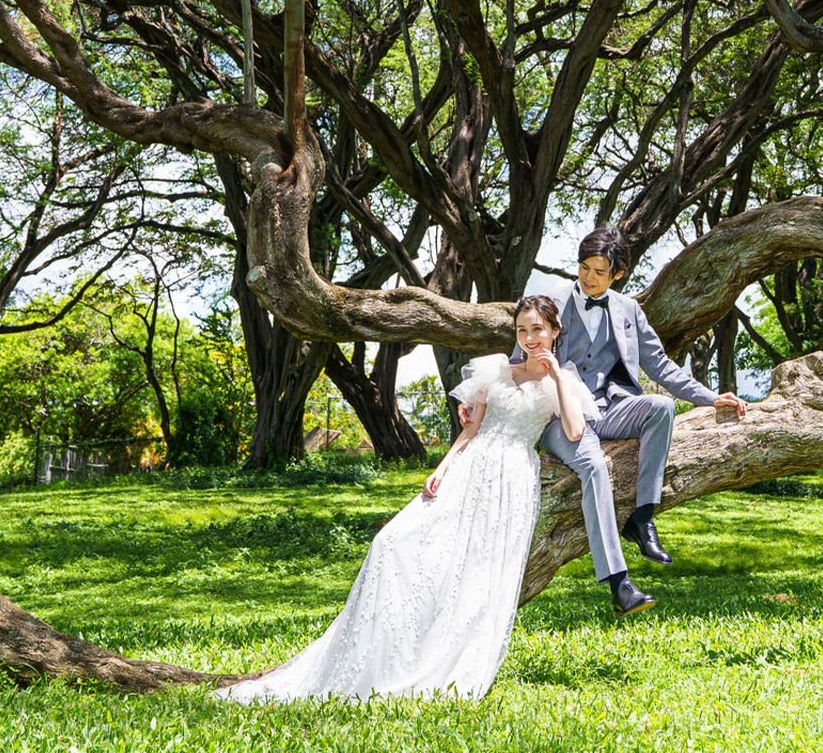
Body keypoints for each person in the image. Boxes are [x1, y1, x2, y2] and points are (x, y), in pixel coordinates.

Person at [216, 296, 594, 703]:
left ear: (554, 331)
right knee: (392, 541)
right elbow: (470, 431)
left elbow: (575, 431)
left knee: (479, 571)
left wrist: (556, 377)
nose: (529, 338)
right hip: (470, 468)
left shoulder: (563, 384)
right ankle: (383, 654)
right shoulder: (497, 370)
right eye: (522, 330)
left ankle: (449, 656)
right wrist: (442, 468)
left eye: (537, 329)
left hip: (512, 480)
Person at [521, 226, 748, 615]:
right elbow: (518, 358)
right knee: (594, 466)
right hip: (562, 414)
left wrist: (711, 397)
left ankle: (642, 518)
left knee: (660, 408)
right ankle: (619, 584)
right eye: (584, 268)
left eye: (599, 271)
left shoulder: (629, 310)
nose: (589, 277)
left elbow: (660, 365)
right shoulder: (552, 303)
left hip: (610, 407)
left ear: (618, 274)